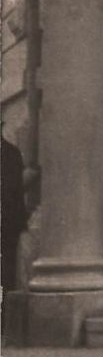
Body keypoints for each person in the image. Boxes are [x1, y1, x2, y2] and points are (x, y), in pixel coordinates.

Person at [1, 126, 29, 333]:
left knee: (5, 276)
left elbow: (14, 193)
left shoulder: (11, 154)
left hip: (6, 227)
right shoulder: (12, 153)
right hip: (9, 225)